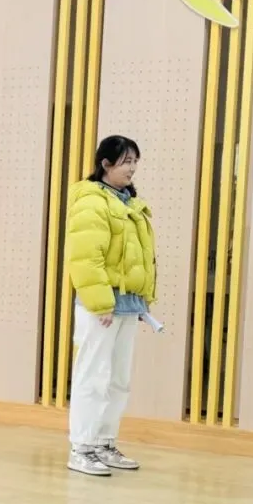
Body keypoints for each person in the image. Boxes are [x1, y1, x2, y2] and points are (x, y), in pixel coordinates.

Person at [66, 135, 157, 477]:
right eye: (126, 161)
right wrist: (100, 302)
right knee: (93, 377)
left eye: (135, 161)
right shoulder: (92, 201)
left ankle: (104, 443)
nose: (132, 168)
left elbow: (139, 259)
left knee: (118, 379)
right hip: (101, 306)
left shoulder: (129, 202)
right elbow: (85, 257)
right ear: (105, 164)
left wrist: (142, 297)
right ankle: (82, 448)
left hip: (127, 304)